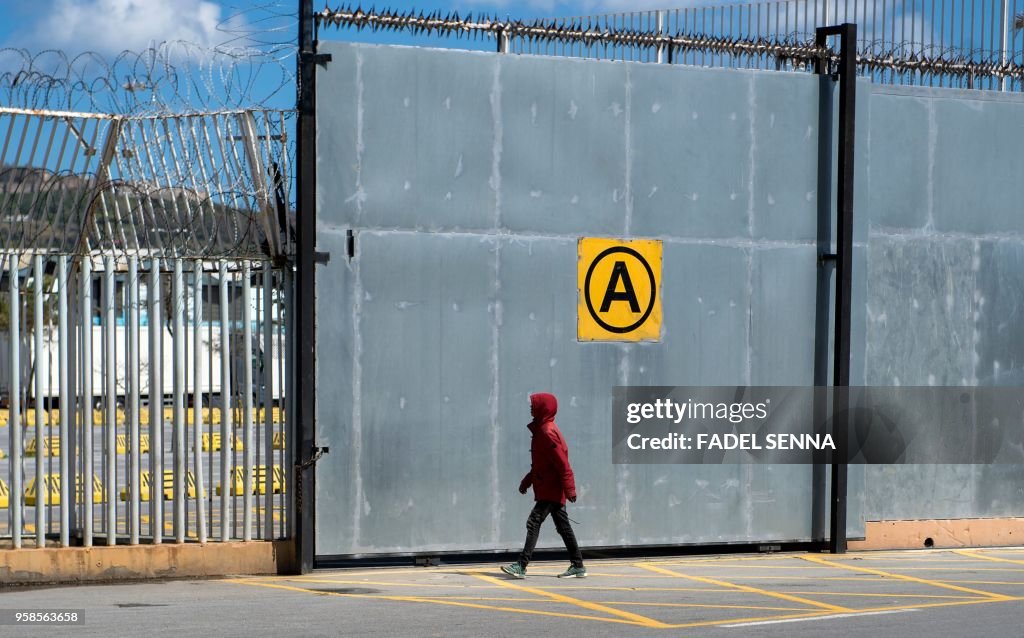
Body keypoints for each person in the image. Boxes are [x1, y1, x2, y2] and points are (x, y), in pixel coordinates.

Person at [502, 392, 586, 579]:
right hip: (548, 486)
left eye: (534, 405)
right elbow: (541, 464)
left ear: (543, 408)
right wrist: (527, 481)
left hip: (551, 488)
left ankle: (521, 565)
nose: (531, 408)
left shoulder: (547, 432)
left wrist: (569, 488)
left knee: (534, 522)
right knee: (563, 528)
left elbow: (562, 463)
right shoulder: (542, 430)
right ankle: (578, 565)